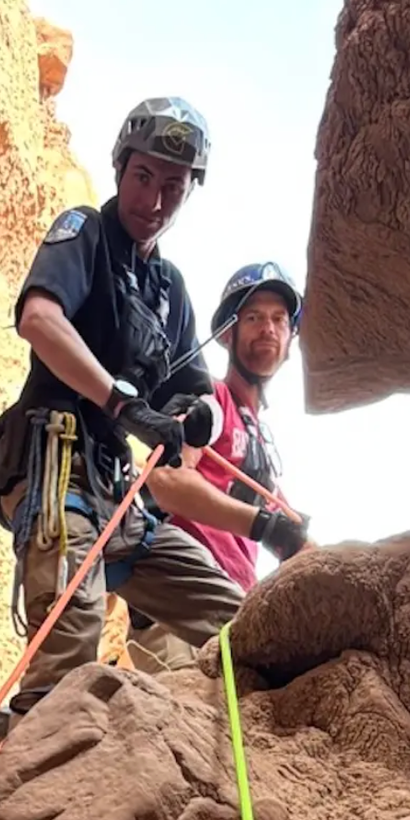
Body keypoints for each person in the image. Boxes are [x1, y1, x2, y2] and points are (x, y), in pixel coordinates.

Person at [0, 96, 245, 728]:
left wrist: (197, 416)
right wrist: (120, 402)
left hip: (117, 495)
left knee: (237, 618)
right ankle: (16, 767)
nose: (154, 200)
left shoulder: (170, 288)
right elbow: (40, 319)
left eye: (173, 187)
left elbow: (198, 392)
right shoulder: (86, 234)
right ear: (121, 168)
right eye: (143, 178)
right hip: (55, 466)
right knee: (72, 637)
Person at [123, 262, 313, 669]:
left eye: (279, 319)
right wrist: (263, 525)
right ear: (227, 332)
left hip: (232, 607)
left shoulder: (261, 441)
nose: (268, 328)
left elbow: (297, 540)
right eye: (254, 318)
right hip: (184, 603)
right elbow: (166, 478)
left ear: (291, 339)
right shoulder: (211, 401)